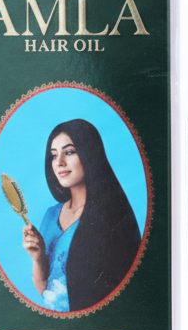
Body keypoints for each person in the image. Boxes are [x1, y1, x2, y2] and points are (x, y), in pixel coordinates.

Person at [21, 118, 142, 312]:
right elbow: (46, 290)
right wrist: (38, 258)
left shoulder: (113, 219)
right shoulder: (51, 216)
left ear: (89, 153)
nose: (59, 163)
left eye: (69, 152)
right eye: (54, 155)